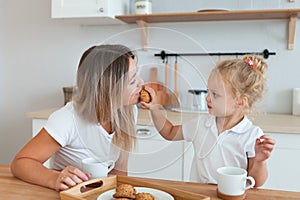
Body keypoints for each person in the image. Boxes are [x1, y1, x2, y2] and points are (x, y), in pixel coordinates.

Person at [11, 44, 144, 191]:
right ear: (108, 88)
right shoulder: (67, 119)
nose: (141, 84)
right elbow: (20, 163)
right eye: (132, 81)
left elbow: (119, 171)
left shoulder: (128, 112)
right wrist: (55, 178)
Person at [142, 55, 276, 187]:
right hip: (199, 196)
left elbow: (256, 182)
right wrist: (154, 108)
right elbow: (169, 132)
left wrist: (260, 161)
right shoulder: (200, 124)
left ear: (240, 101)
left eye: (215, 94)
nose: (207, 98)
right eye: (208, 91)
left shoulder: (252, 135)